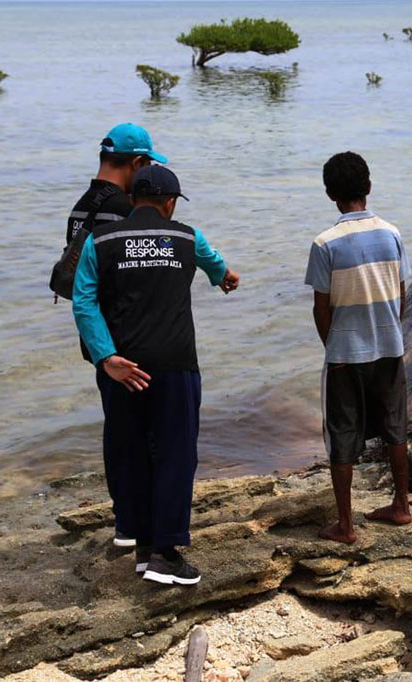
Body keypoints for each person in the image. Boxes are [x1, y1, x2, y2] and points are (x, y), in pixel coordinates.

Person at [72, 165, 239, 585]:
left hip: (123, 369)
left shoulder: (99, 240)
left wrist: (106, 358)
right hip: (175, 364)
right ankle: (166, 554)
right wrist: (225, 277)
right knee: (175, 454)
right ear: (169, 204)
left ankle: (141, 543)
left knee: (130, 453)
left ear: (132, 201)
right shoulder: (185, 236)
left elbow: (83, 303)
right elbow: (217, 266)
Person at [67, 122, 167, 548]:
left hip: (98, 340)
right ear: (138, 163)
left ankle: (124, 518)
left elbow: (83, 285)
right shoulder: (125, 210)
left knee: (118, 428)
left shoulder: (80, 208)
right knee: (149, 432)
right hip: (130, 339)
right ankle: (141, 523)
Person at [306, 151, 412, 545]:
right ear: (368, 187)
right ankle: (401, 505)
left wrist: (334, 347)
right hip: (390, 344)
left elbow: (321, 307)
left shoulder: (325, 244)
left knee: (342, 435)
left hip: (345, 353)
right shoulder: (392, 233)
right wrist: (391, 331)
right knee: (394, 427)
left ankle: (346, 525)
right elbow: (401, 294)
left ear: (330, 194)